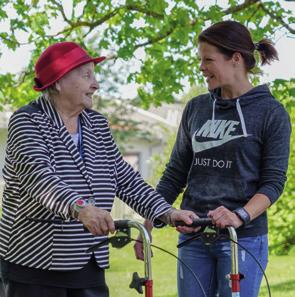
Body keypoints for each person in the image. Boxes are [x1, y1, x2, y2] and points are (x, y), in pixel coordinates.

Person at [0, 41, 197, 297]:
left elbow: (124, 177)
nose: (96, 84)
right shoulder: (28, 121)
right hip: (36, 265)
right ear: (58, 81)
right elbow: (39, 178)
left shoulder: (96, 123)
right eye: (86, 75)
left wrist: (166, 212)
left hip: (89, 261)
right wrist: (81, 208)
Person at [134, 20, 291, 297]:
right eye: (200, 60)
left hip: (242, 239)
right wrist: (149, 220)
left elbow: (273, 182)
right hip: (193, 235)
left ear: (236, 59)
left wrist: (239, 216)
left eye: (208, 59)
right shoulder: (197, 108)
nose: (201, 67)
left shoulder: (271, 112)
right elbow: (175, 173)